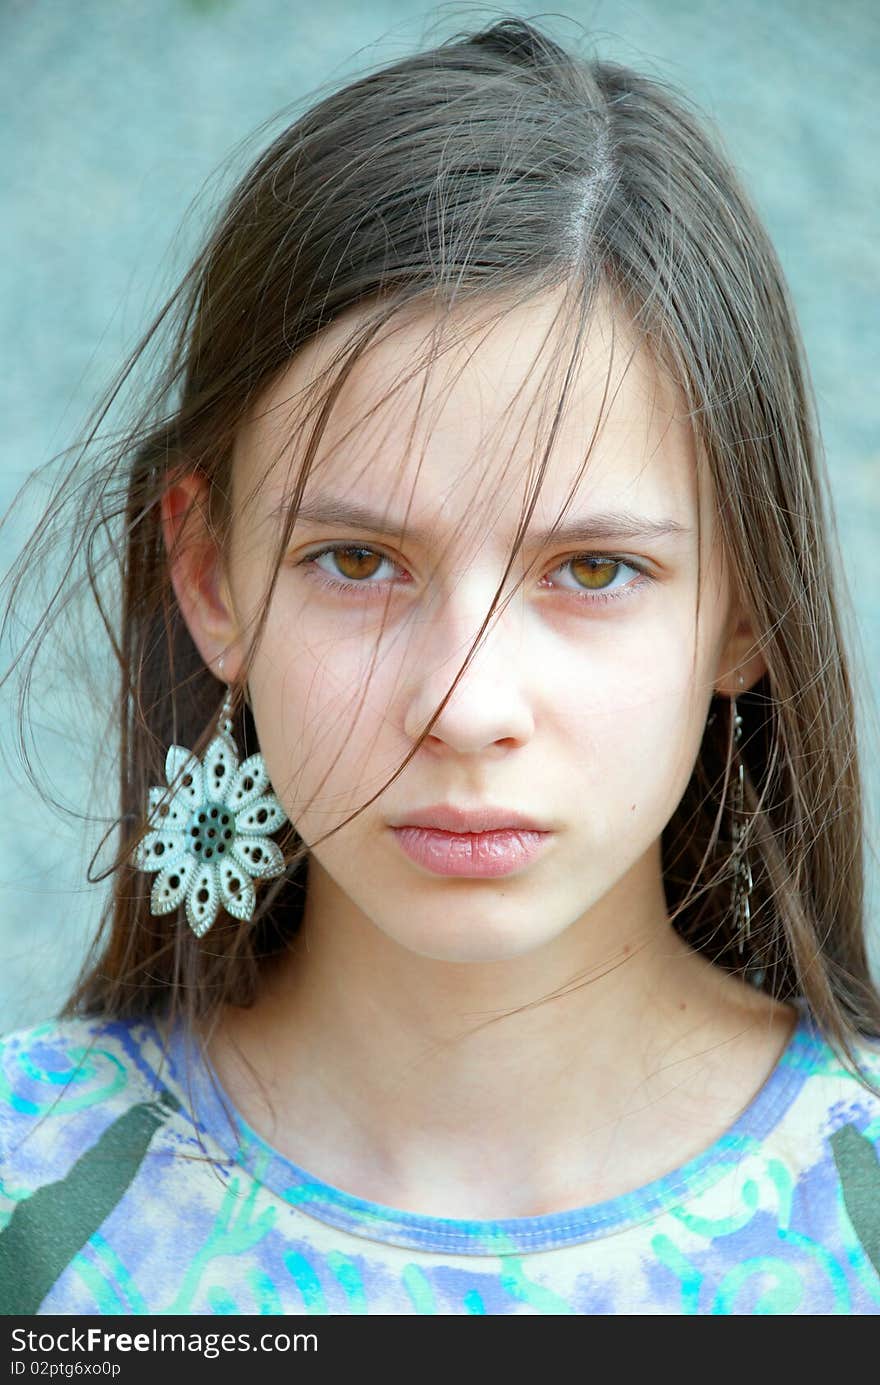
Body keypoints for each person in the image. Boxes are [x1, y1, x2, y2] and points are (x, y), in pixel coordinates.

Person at [1, 16, 879, 1318]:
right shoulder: (34, 1204)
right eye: (359, 562)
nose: (465, 708)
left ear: (743, 609)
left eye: (592, 570)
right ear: (209, 579)